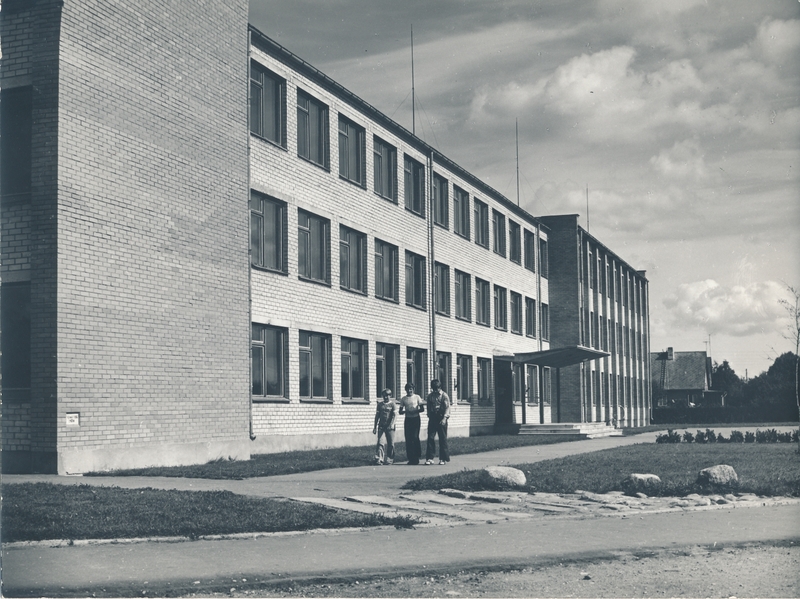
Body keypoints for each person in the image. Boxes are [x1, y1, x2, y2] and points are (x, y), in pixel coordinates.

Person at [425, 378, 451, 465]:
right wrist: (429, 414)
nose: (435, 390)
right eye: (434, 389)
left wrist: (444, 418)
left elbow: (447, 408)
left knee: (442, 438)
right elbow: (428, 406)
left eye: (437, 388)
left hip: (441, 417)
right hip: (433, 417)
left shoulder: (444, 396)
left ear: (440, 387)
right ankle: (430, 457)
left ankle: (443, 458)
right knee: (431, 437)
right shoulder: (430, 396)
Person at [398, 382, 424, 464]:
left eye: (411, 389)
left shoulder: (417, 397)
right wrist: (406, 411)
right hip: (408, 419)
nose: (409, 391)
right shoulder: (404, 399)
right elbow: (400, 411)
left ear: (413, 389)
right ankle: (410, 458)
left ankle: (416, 457)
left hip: (416, 419)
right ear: (405, 390)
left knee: (415, 437)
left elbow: (422, 409)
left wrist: (415, 410)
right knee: (408, 438)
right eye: (408, 389)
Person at [373, 388, 397, 465]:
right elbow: (377, 416)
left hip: (390, 427)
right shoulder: (380, 405)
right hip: (381, 426)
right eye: (384, 396)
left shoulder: (392, 404)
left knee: (391, 443)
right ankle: (379, 459)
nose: (386, 397)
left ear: (390, 396)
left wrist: (393, 424)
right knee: (380, 442)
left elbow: (395, 415)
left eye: (387, 395)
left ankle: (390, 459)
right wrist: (374, 427)